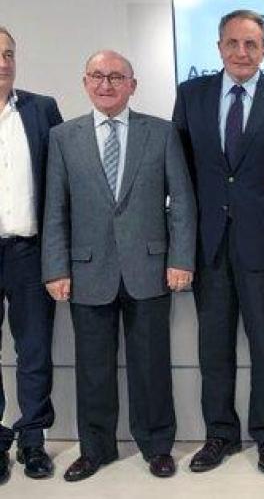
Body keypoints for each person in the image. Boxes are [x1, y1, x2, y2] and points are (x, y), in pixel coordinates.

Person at [42, 50, 196, 481]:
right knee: (93, 368)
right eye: (97, 76)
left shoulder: (162, 133)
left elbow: (182, 203)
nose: (106, 84)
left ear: (133, 85)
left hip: (150, 268)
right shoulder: (62, 137)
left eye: (115, 77)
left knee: (151, 365)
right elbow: (55, 208)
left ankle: (157, 446)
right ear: (85, 82)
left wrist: (181, 258)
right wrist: (55, 267)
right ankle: (96, 449)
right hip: (87, 270)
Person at [172, 9, 264, 475]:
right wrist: (180, 245)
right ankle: (220, 434)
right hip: (208, 245)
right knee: (213, 348)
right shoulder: (191, 95)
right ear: (219, 48)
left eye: (251, 44)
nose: (242, 52)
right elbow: (180, 178)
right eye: (233, 43)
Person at [0, 26, 62, 484]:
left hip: (29, 251)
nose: (3, 63)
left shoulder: (42, 109)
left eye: (9, 54)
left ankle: (33, 439)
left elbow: (62, 184)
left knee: (35, 350)